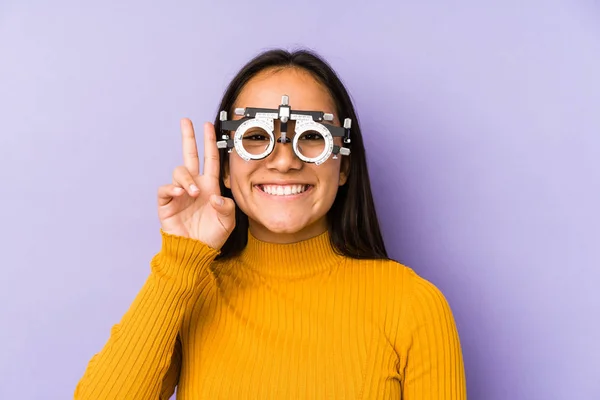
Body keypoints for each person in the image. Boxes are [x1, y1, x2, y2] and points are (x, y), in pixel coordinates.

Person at [74, 49, 466, 399]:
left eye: (311, 137)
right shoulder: (192, 294)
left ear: (343, 165)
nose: (283, 161)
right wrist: (181, 259)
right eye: (257, 136)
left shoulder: (412, 305)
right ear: (226, 167)